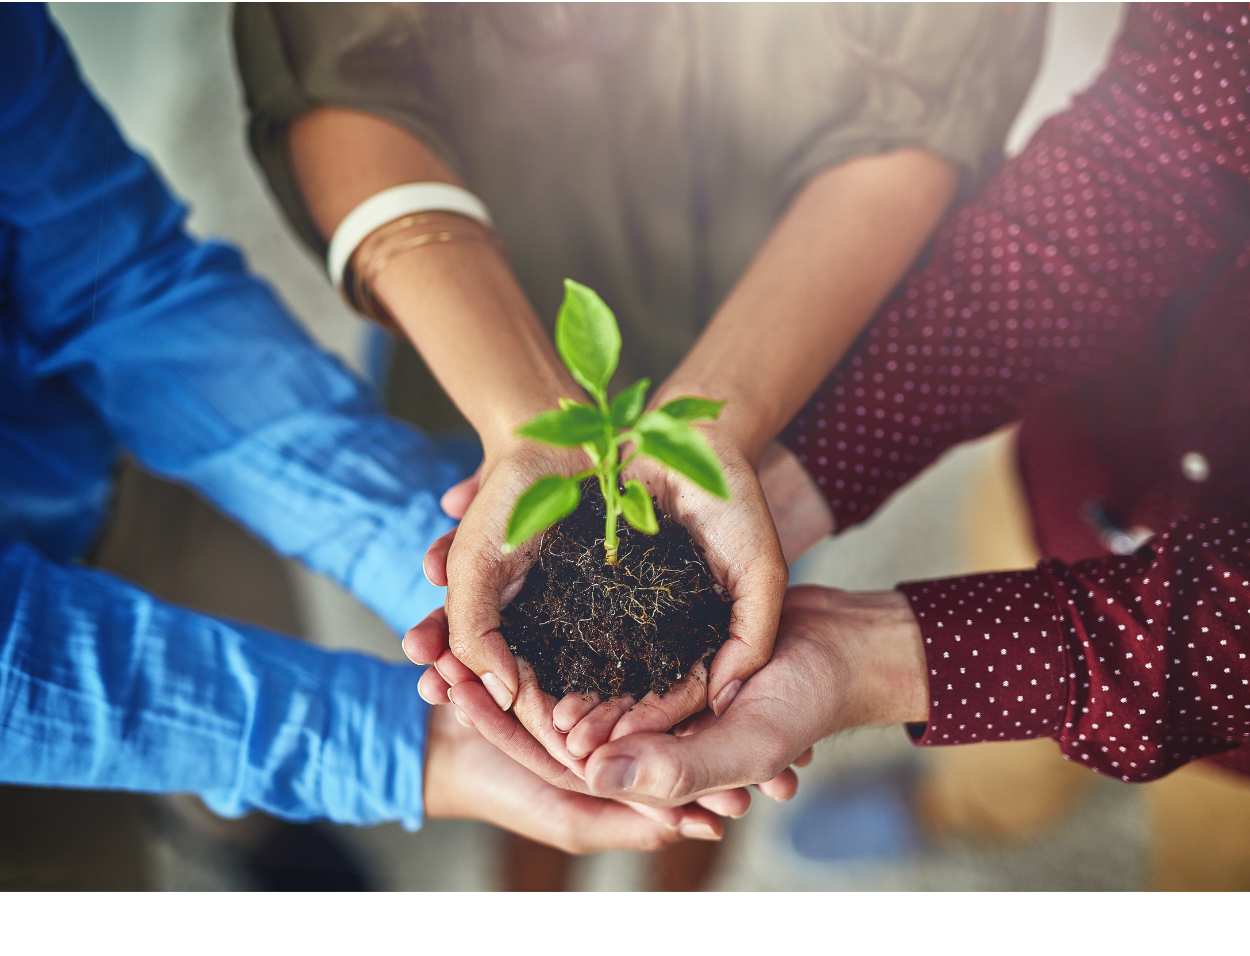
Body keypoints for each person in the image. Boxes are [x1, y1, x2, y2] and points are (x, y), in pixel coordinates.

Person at [500, 1, 1250, 867]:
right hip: (1083, 481)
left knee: (1209, 869)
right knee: (996, 767)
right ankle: (959, 812)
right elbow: (1161, 153)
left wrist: (884, 660)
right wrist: (793, 483)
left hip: (1232, 731)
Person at [0, 2, 721, 869]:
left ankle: (259, 834)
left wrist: (466, 569)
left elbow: (118, 282)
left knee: (243, 777)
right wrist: (404, 753)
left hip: (106, 465)